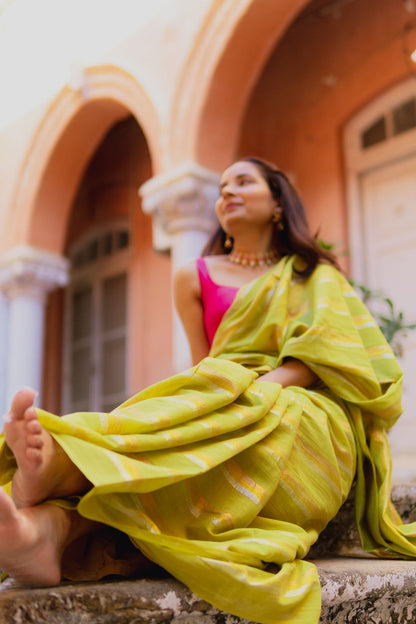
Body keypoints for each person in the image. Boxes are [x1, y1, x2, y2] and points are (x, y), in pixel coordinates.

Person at [0, 157, 415, 624]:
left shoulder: (313, 274)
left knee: (257, 414)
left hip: (307, 406)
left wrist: (251, 391)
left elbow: (325, 359)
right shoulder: (193, 275)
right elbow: (206, 363)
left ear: (277, 201)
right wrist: (215, 399)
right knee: (186, 422)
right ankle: (43, 532)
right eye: (221, 187)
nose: (227, 192)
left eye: (243, 181)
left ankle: (64, 468)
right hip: (224, 389)